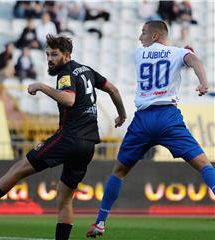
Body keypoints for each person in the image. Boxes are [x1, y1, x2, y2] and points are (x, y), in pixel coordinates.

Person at [0, 34, 127, 240]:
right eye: (48, 55)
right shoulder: (86, 70)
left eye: (54, 55)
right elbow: (112, 89)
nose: (50, 59)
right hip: (88, 144)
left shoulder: (65, 74)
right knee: (65, 198)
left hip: (69, 138)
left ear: (67, 56)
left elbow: (69, 100)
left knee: (18, 169)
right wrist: (121, 114)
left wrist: (41, 86)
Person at [86, 20, 214, 238]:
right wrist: (203, 82)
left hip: (143, 120)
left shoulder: (139, 54)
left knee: (119, 171)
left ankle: (100, 223)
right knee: (204, 165)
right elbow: (193, 59)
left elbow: (165, 55)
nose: (140, 37)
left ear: (155, 36)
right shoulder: (177, 53)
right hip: (168, 118)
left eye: (143, 33)